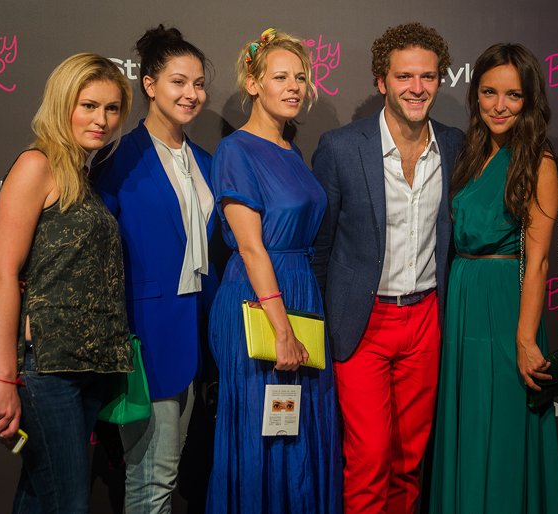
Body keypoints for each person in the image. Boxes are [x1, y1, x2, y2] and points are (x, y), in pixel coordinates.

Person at [312, 22, 464, 513]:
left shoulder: (455, 146)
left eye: (427, 76)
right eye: (404, 76)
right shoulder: (341, 147)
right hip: (363, 322)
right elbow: (320, 247)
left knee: (408, 460)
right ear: (382, 81)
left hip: (425, 319)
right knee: (369, 458)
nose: (416, 88)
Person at [0, 53, 133, 513]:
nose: (101, 120)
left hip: (84, 367)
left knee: (39, 496)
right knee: (67, 502)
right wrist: (5, 376)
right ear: (63, 103)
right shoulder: (37, 164)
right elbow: (2, 274)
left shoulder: (80, 175)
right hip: (45, 369)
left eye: (111, 109)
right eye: (89, 106)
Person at [205, 28, 342, 514]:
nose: (293, 87)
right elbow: (251, 247)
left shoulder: (292, 151)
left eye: (300, 77)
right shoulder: (236, 151)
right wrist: (282, 330)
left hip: (301, 293)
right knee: (261, 430)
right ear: (253, 83)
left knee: (299, 429)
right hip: (259, 304)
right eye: (280, 77)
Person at [428, 43, 558, 513]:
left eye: (513, 95)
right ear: (476, 95)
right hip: (463, 301)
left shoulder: (538, 160)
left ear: (529, 99)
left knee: (502, 428)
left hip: (507, 307)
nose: (499, 105)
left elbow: (539, 261)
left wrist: (525, 339)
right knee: (468, 425)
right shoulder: (471, 153)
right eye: (489, 92)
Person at [92, 25, 217, 514]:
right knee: (152, 481)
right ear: (149, 84)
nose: (191, 94)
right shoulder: (118, 158)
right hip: (144, 341)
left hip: (196, 338)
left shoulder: (206, 161)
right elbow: (97, 256)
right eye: (178, 82)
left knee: (165, 476)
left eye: (199, 84)